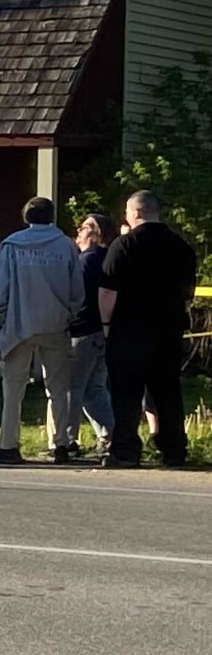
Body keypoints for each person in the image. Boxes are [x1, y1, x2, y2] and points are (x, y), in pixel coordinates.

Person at [99, 191, 200, 468]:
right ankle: (174, 449)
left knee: (126, 394)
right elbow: (188, 292)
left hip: (129, 331)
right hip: (168, 331)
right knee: (167, 392)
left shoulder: (124, 245)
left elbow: (108, 291)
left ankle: (126, 450)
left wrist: (107, 325)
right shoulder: (180, 246)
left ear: (135, 213)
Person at [0, 197, 84, 465]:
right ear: (52, 216)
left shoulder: (12, 245)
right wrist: (68, 314)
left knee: (13, 389)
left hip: (19, 326)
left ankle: (8, 445)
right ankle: (60, 443)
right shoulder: (66, 245)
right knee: (58, 387)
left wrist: (6, 313)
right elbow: (78, 290)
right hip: (56, 324)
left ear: (26, 217)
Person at [54, 213, 115, 460]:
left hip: (82, 332)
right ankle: (112, 433)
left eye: (86, 227)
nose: (78, 231)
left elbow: (78, 297)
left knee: (73, 387)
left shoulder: (86, 261)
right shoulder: (106, 259)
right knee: (94, 388)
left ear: (97, 234)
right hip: (101, 332)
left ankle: (67, 439)